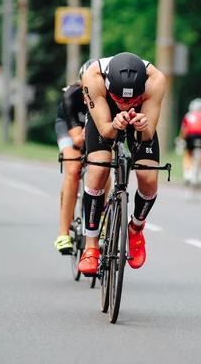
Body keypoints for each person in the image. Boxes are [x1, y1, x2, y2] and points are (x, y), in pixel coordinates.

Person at [77, 52, 166, 274]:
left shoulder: (156, 80)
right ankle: (91, 246)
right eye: (120, 98)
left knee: (149, 177)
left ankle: (135, 228)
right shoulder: (93, 77)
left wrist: (143, 126)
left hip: (140, 119)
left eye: (131, 99)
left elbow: (148, 135)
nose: (125, 105)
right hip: (104, 117)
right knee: (98, 169)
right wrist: (114, 124)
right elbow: (105, 131)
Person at [54, 59, 105, 254]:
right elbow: (77, 140)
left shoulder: (105, 96)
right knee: (73, 170)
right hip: (70, 128)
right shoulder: (72, 95)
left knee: (102, 166)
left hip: (90, 127)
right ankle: (63, 233)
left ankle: (101, 217)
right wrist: (86, 135)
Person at [177, 98, 201, 184]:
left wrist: (181, 139)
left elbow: (184, 129)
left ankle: (188, 174)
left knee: (188, 153)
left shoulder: (189, 115)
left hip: (191, 135)